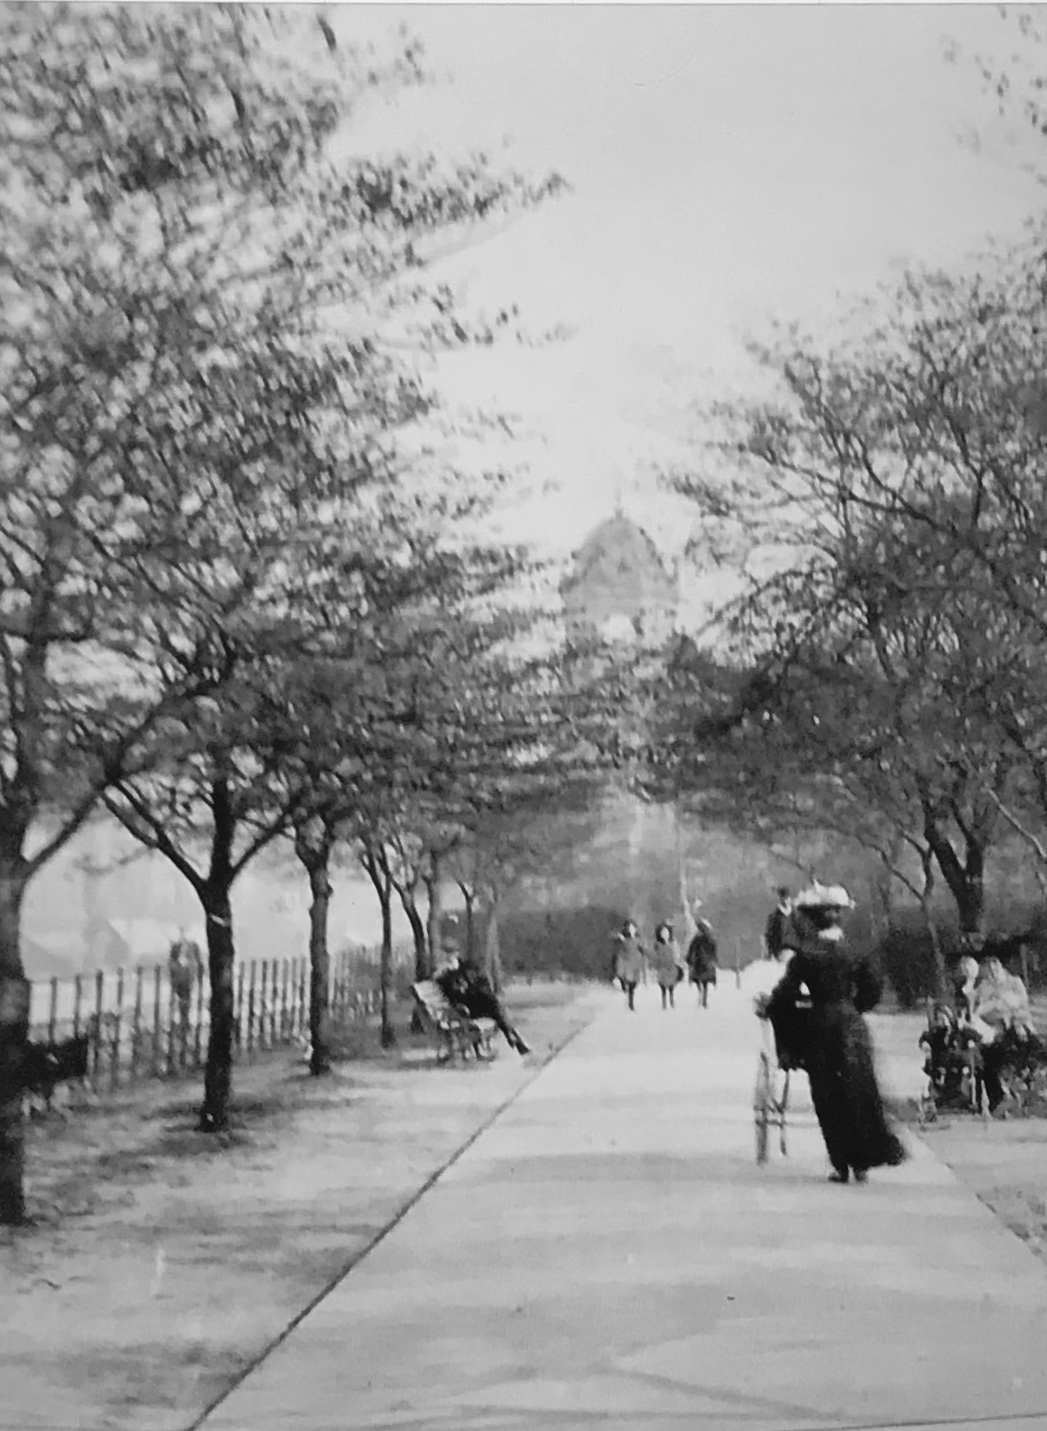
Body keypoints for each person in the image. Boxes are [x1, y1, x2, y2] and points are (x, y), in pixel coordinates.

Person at [759, 883, 907, 1185]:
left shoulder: (807, 955)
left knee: (828, 1096)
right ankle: (863, 1161)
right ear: (839, 919)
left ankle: (841, 1164)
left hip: (820, 1029)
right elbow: (872, 990)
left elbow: (785, 995)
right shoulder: (854, 951)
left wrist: (771, 1008)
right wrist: (852, 1008)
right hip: (852, 1028)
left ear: (812, 921)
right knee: (860, 1092)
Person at [434, 953, 531, 1056]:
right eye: (447, 957)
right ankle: (514, 1038)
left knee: (493, 1006)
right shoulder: (445, 977)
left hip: (475, 1005)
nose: (451, 959)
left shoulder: (463, 969)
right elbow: (454, 996)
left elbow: (476, 981)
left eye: (452, 956)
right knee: (494, 1005)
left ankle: (513, 1037)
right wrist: (448, 973)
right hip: (465, 1011)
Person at [686, 907, 718, 1009]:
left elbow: (692, 949)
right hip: (703, 962)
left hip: (700, 962)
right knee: (704, 981)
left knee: (700, 979)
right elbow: (713, 949)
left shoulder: (700, 938)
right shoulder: (708, 938)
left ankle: (702, 996)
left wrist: (689, 958)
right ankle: (703, 998)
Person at [650, 922, 685, 1010]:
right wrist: (655, 965)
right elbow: (655, 956)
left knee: (671, 985)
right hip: (662, 968)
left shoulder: (673, 943)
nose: (665, 934)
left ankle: (671, 1000)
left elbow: (677, 954)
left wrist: (677, 962)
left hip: (671, 967)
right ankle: (664, 1002)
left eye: (666, 932)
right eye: (663, 933)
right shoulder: (657, 945)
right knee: (663, 985)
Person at [612, 920, 646, 1011]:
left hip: (635, 963)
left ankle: (630, 1001)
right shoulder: (622, 939)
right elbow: (618, 948)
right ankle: (630, 1003)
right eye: (629, 928)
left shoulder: (638, 939)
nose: (631, 930)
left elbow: (643, 948)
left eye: (632, 928)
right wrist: (621, 939)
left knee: (633, 984)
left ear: (635, 929)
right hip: (626, 963)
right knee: (625, 978)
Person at [764, 887, 793, 960]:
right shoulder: (774, 917)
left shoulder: (795, 915)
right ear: (781, 899)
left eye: (787, 898)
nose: (786, 900)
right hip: (780, 952)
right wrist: (771, 953)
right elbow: (769, 936)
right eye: (784, 898)